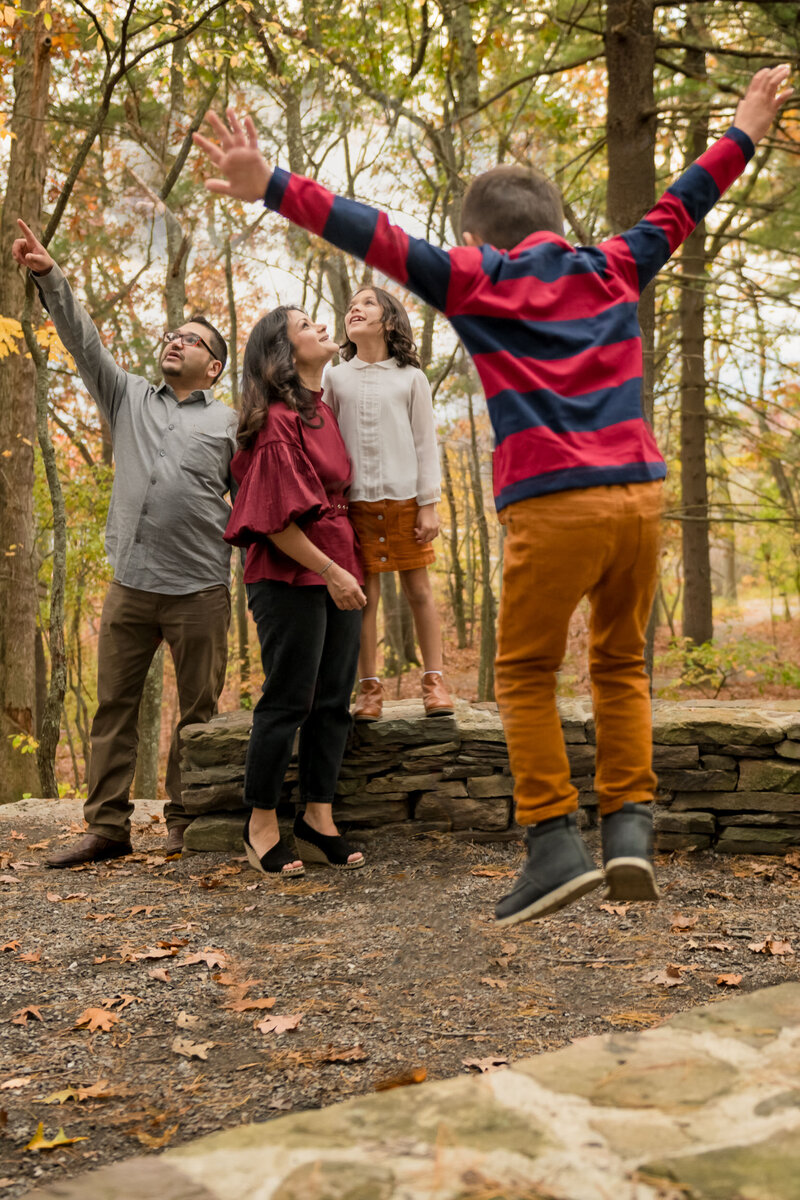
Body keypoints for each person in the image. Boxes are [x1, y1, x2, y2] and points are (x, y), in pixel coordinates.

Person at [194, 65, 792, 921]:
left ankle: (554, 842)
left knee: (523, 672)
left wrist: (275, 186)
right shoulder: (616, 263)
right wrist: (744, 127)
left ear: (482, 238)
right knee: (622, 664)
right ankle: (630, 829)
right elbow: (682, 202)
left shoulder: (480, 278)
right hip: (640, 497)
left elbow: (379, 236)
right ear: (558, 224)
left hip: (556, 503)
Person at [12, 220, 236, 865]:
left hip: (199, 589)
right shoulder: (129, 397)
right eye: (172, 335)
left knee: (196, 715)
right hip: (131, 584)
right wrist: (49, 275)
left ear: (213, 366)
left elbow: (256, 499)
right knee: (113, 707)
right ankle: (106, 829)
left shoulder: (230, 422)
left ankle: (185, 820)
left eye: (190, 340)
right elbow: (83, 342)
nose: (175, 341)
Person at [224, 305, 367, 876]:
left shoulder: (323, 411)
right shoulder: (278, 420)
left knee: (333, 700)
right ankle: (259, 826)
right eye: (306, 326)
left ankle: (318, 819)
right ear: (282, 353)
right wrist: (332, 572)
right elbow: (276, 521)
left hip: (340, 563)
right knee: (289, 700)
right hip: (291, 571)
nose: (322, 328)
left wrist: (346, 567)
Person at [325, 285, 453, 721]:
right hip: (354, 505)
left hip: (405, 501)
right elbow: (325, 439)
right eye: (350, 305)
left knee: (419, 591)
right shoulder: (335, 376)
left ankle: (434, 682)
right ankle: (369, 690)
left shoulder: (411, 377)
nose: (354, 309)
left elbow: (424, 443)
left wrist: (428, 504)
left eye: (366, 303)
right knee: (366, 597)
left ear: (389, 320)